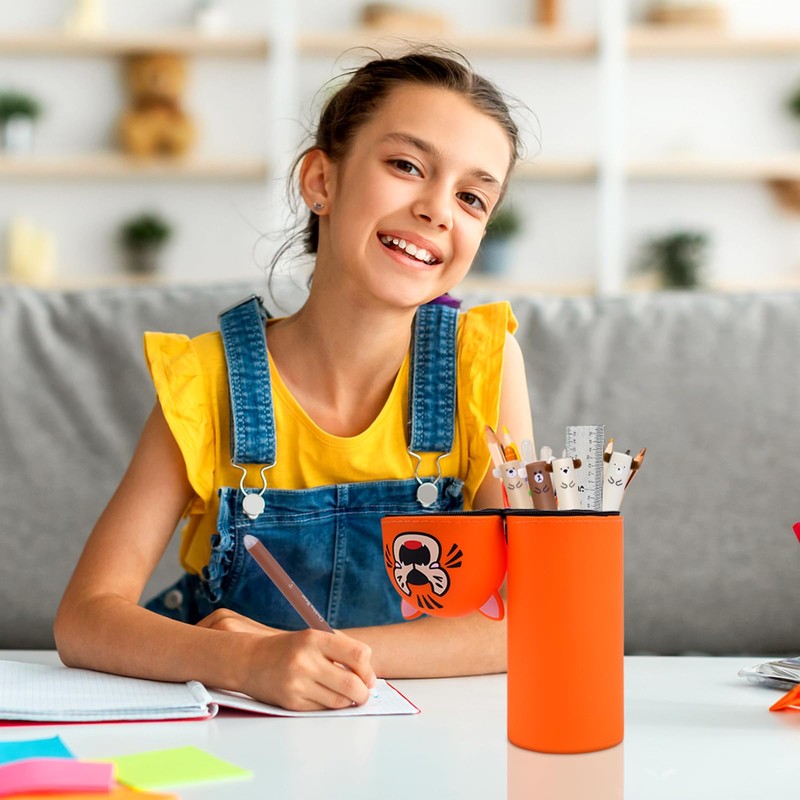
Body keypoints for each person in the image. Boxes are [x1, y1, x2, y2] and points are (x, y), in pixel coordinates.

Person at [55, 49, 533, 712]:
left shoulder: (483, 364)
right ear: (320, 181)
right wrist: (241, 659)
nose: (437, 209)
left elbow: (532, 618)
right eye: (405, 166)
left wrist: (319, 656)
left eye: (472, 197)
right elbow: (84, 617)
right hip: (228, 729)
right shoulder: (209, 379)